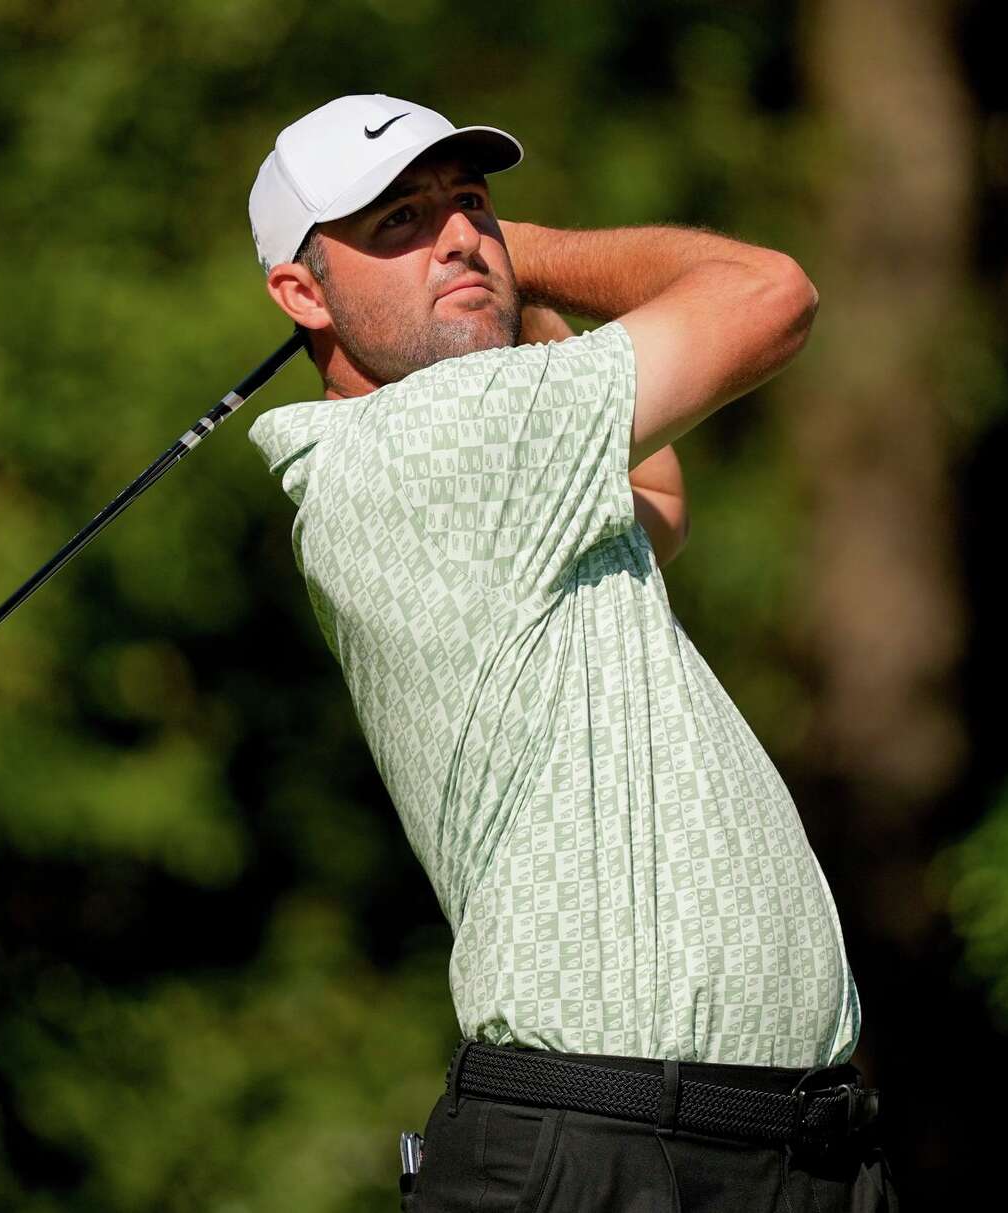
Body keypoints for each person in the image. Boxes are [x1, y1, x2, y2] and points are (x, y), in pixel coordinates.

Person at [245, 94, 896, 1212]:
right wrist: (518, 254)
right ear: (301, 293)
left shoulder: (494, 455)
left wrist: (478, 275)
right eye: (395, 222)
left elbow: (653, 502)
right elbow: (767, 293)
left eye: (468, 206)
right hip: (598, 1148)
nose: (453, 234)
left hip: (770, 1152)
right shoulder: (439, 436)